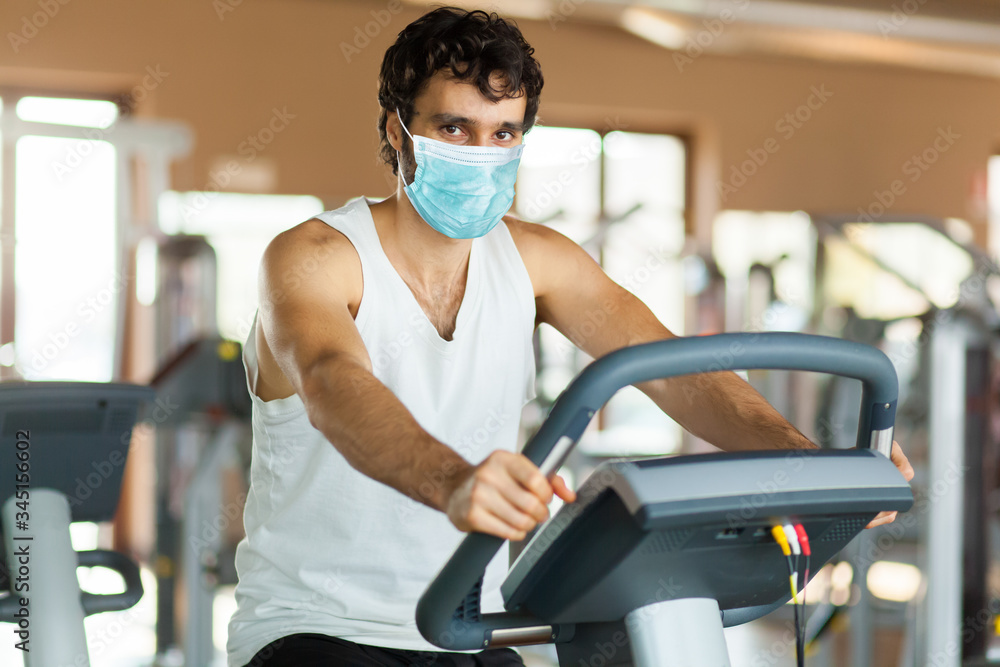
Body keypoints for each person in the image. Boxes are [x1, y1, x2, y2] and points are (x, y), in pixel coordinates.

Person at [226, 7, 914, 667]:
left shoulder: (536, 258)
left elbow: (672, 370)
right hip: (314, 629)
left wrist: (816, 467)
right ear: (398, 131)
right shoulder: (314, 256)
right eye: (456, 129)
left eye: (504, 134)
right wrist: (454, 481)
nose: (483, 154)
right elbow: (331, 380)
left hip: (469, 627)